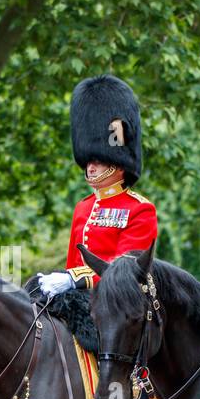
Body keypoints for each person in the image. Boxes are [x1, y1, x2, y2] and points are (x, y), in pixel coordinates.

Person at [36, 74, 158, 296]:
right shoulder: (83, 207)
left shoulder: (140, 209)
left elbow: (125, 271)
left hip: (117, 305)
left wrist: (75, 280)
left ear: (119, 164)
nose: (90, 167)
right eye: (88, 161)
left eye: (98, 161)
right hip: (79, 296)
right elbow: (73, 263)